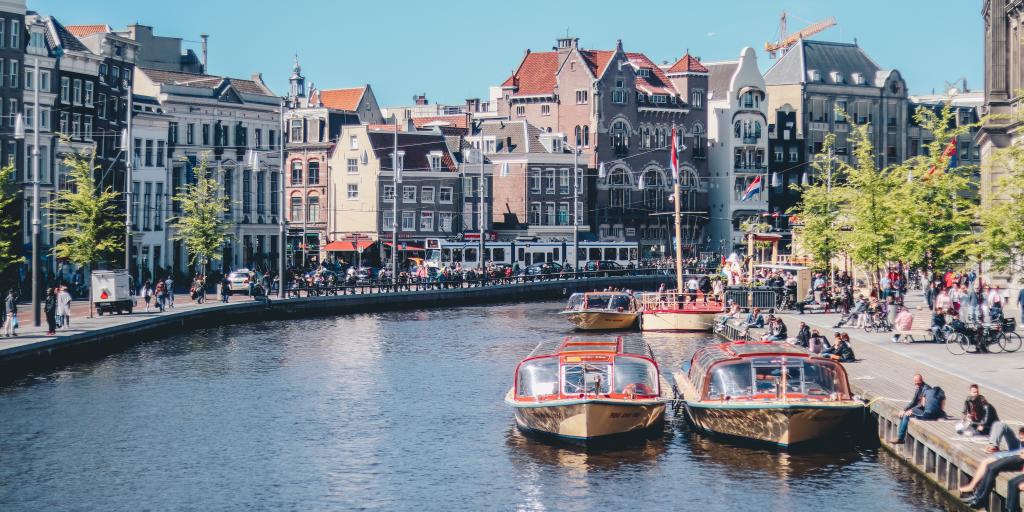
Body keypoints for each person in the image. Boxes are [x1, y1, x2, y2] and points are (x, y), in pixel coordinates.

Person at [958, 427, 1024, 509]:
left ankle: (981, 499)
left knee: (996, 470)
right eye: (1021, 436)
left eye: (1022, 436)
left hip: (1020, 459)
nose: (1021, 438)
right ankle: (979, 496)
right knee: (990, 466)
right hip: (1018, 456)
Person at [889, 374, 944, 444]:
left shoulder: (926, 389)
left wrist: (912, 410)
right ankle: (899, 435)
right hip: (922, 408)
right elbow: (913, 402)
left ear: (922, 380)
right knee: (903, 414)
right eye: (915, 383)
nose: (917, 385)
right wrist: (904, 409)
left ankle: (900, 438)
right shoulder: (919, 388)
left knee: (906, 416)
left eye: (918, 383)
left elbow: (923, 405)